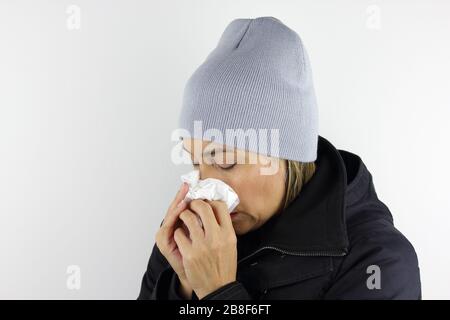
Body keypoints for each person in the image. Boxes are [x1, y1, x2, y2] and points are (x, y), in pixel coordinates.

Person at [137, 16, 421, 300]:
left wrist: (217, 292)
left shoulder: (378, 263)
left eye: (225, 161)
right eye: (197, 163)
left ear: (288, 155)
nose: (205, 192)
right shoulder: (193, 235)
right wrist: (183, 286)